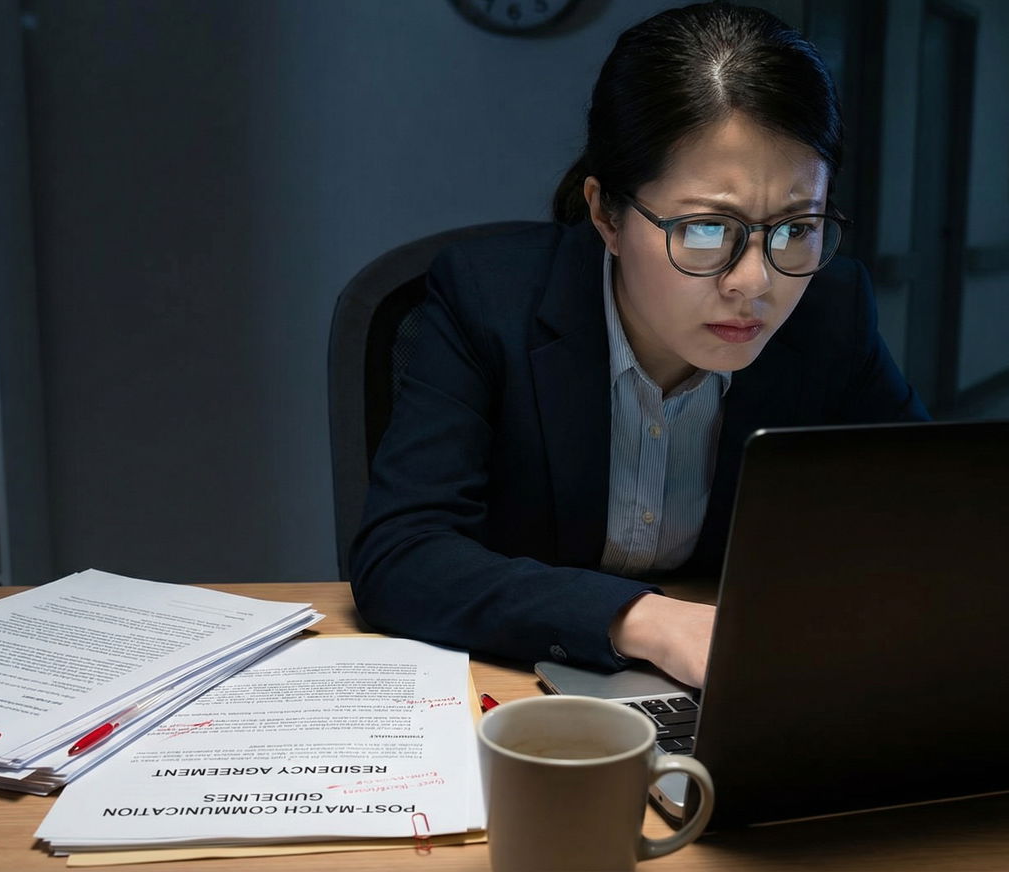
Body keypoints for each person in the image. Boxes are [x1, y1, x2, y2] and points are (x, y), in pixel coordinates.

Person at [351, 2, 926, 688]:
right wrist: (646, 620)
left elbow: (924, 519)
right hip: (523, 694)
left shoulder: (831, 313)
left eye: (796, 228)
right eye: (709, 229)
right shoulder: (487, 301)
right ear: (606, 213)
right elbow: (403, 555)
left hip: (745, 685)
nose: (756, 283)